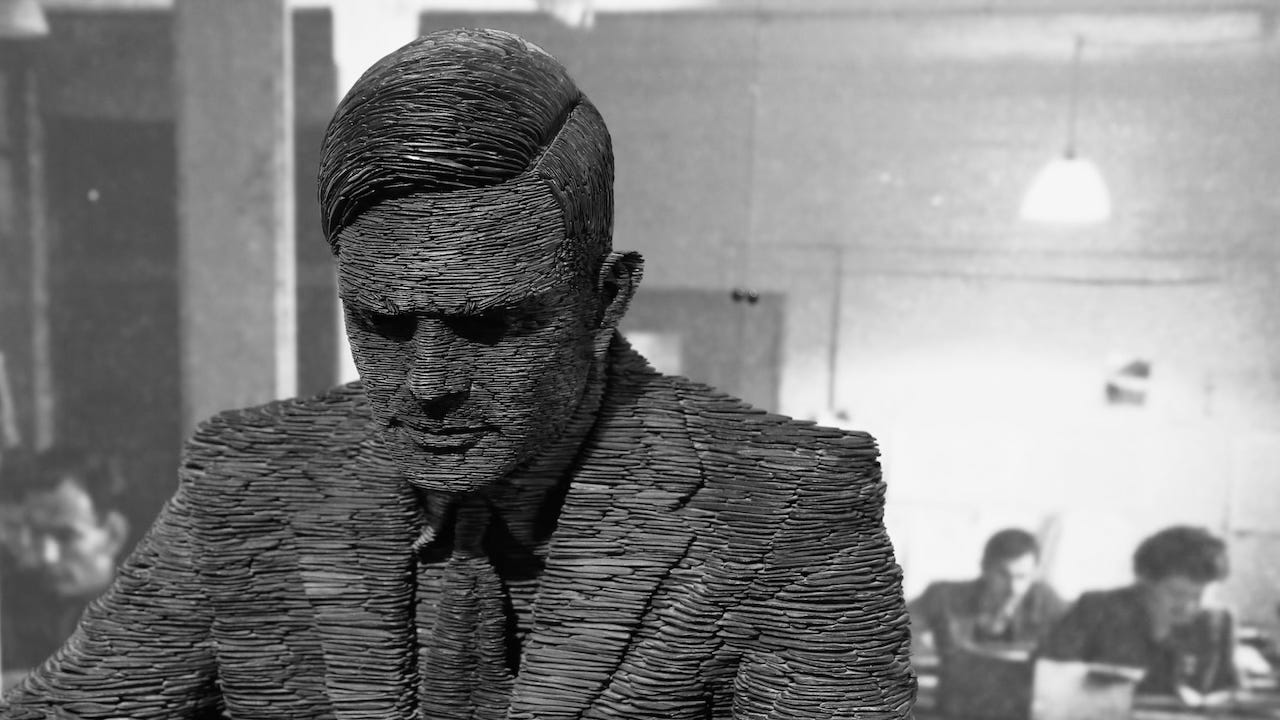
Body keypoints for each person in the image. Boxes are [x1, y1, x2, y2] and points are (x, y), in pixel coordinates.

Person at [0, 29, 914, 719]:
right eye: (384, 324)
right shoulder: (252, 482)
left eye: (489, 324)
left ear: (607, 301)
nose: (426, 381)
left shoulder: (787, 509)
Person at [1039, 525, 1239, 699]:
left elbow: (1227, 694)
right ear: (1143, 583)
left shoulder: (1217, 623)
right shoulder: (1096, 610)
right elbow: (1045, 680)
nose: (1189, 606)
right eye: (1177, 594)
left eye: (1199, 596)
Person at [909, 528, 1066, 718]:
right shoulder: (945, 596)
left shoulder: (1045, 602)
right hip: (951, 708)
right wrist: (928, 658)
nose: (1014, 588)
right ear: (984, 567)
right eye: (1003, 575)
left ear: (1035, 573)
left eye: (1022, 577)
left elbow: (1075, 650)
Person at [0, 450, 130, 675]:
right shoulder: (14, 602)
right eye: (37, 534)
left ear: (112, 534)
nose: (47, 557)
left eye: (65, 537)